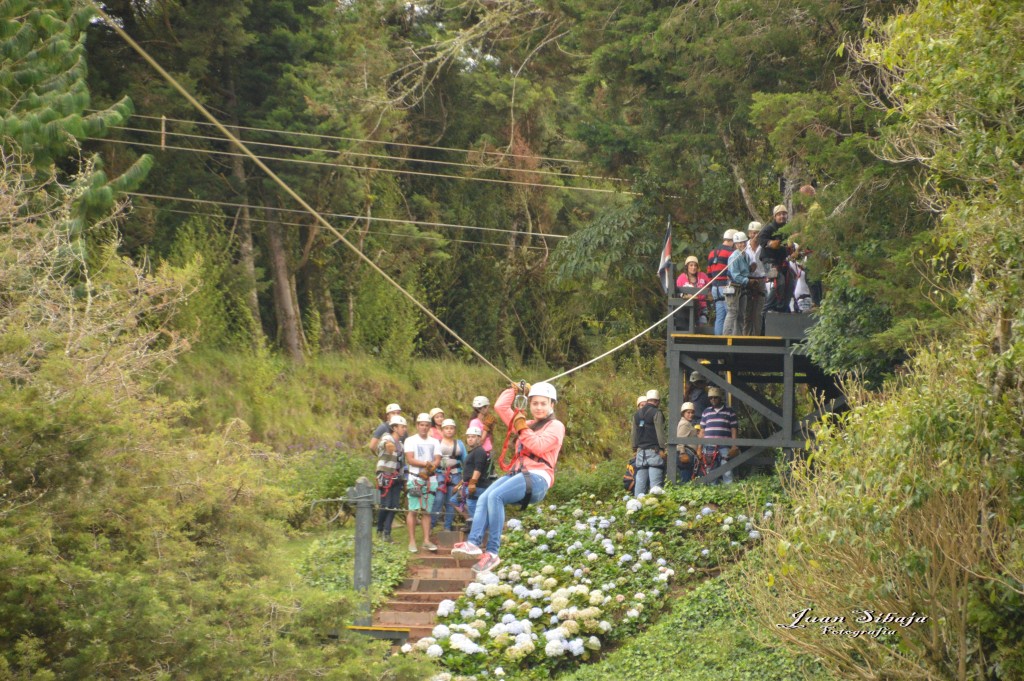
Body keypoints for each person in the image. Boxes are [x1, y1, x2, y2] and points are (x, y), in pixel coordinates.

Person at [452, 382, 565, 573]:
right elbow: (501, 407)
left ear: (552, 405)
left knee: (496, 497)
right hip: (519, 474)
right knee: (485, 497)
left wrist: (521, 428)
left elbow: (538, 446)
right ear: (529, 404)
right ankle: (473, 543)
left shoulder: (555, 426)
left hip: (538, 477)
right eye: (535, 403)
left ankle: (493, 552)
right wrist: (514, 390)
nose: (538, 407)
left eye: (543, 403)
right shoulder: (528, 424)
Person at [403, 413, 441, 553]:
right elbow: (410, 459)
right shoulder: (410, 440)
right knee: (413, 509)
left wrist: (432, 467)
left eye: (426, 425)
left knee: (426, 510)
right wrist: (426, 464)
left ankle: (426, 540)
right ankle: (412, 541)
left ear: (430, 426)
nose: (424, 428)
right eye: (421, 425)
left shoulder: (435, 442)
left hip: (431, 480)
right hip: (415, 479)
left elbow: (437, 459)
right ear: (417, 425)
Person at [375, 415, 407, 542]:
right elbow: (382, 444)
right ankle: (380, 529)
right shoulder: (387, 437)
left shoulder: (401, 445)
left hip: (397, 477)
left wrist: (403, 479)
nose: (404, 429)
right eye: (402, 427)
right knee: (386, 504)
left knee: (394, 506)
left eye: (405, 427)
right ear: (394, 428)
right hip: (386, 476)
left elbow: (402, 463)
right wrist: (387, 445)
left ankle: (387, 533)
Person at [431, 418, 467, 532]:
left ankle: (447, 526)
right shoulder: (437, 443)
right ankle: (431, 524)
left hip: (455, 474)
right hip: (440, 474)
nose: (449, 430)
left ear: (454, 430)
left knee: (451, 501)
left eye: (451, 428)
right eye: (446, 428)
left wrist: (467, 475)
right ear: (442, 430)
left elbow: (465, 460)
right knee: (438, 499)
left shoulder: (459, 444)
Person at [630, 389, 666, 496]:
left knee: (640, 482)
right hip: (654, 451)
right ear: (657, 401)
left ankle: (637, 503)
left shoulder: (637, 414)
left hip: (641, 452)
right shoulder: (656, 412)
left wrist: (634, 448)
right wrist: (663, 448)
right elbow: (660, 432)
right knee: (655, 487)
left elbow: (633, 434)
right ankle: (655, 503)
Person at [699, 387, 738, 484]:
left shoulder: (729, 411)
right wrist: (699, 447)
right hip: (709, 446)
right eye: (710, 398)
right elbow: (702, 431)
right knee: (711, 470)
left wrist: (734, 445)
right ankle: (713, 490)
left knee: (727, 469)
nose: (713, 399)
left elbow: (733, 429)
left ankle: (729, 489)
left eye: (715, 397)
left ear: (720, 398)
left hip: (724, 446)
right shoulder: (706, 411)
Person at [759, 204, 794, 314]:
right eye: (779, 214)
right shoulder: (769, 228)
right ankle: (767, 308)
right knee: (779, 281)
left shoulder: (787, 230)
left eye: (784, 214)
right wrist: (770, 243)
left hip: (782, 262)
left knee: (791, 282)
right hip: (769, 262)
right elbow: (761, 239)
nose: (782, 216)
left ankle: (782, 307)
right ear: (775, 216)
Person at [723, 232, 751, 336]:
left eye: (743, 242)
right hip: (733, 287)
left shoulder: (746, 256)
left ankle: (738, 336)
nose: (742, 245)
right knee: (732, 312)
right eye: (739, 243)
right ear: (735, 244)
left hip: (743, 288)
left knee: (741, 314)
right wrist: (748, 281)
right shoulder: (734, 257)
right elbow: (735, 275)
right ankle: (726, 335)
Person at [708, 230, 736, 335]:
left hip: (714, 288)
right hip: (725, 287)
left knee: (720, 316)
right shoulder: (731, 253)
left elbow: (709, 273)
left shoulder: (712, 253)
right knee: (731, 315)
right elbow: (733, 271)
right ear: (732, 241)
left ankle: (718, 340)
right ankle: (727, 339)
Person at [461, 425, 491, 521]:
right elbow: (470, 469)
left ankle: (478, 525)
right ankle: (475, 522)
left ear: (479, 438)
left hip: (478, 485)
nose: (470, 439)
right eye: (468, 437)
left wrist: (472, 482)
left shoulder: (479, 451)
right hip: (471, 484)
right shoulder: (473, 452)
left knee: (473, 505)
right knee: (455, 500)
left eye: (473, 437)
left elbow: (478, 468)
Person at [743, 221, 766, 335]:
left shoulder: (764, 246)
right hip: (748, 280)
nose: (755, 235)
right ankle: (745, 336)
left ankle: (757, 336)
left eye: (757, 233)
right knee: (746, 311)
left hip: (761, 279)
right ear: (749, 234)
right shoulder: (744, 247)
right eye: (752, 233)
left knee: (759, 312)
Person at [675, 255, 712, 325]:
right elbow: (679, 293)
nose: (693, 267)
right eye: (691, 265)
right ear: (687, 267)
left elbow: (709, 289)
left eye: (695, 265)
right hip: (686, 308)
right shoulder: (681, 278)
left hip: (702, 307)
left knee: (702, 323)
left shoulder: (703, 276)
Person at [676, 403, 698, 483]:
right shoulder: (684, 424)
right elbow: (680, 440)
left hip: (689, 453)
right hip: (686, 454)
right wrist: (682, 453)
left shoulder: (687, 423)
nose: (691, 415)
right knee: (685, 479)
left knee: (687, 478)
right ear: (683, 413)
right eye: (688, 412)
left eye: (692, 412)